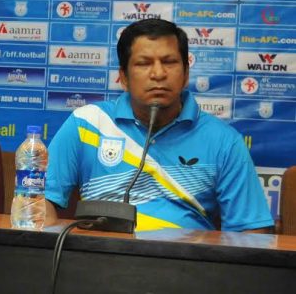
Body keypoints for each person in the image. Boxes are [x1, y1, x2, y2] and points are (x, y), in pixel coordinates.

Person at [45, 19, 273, 232]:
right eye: (144, 64)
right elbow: (36, 201)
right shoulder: (86, 123)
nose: (158, 74)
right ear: (123, 77)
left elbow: (253, 231)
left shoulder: (223, 140)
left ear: (185, 75)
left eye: (169, 62)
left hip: (186, 266)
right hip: (100, 262)